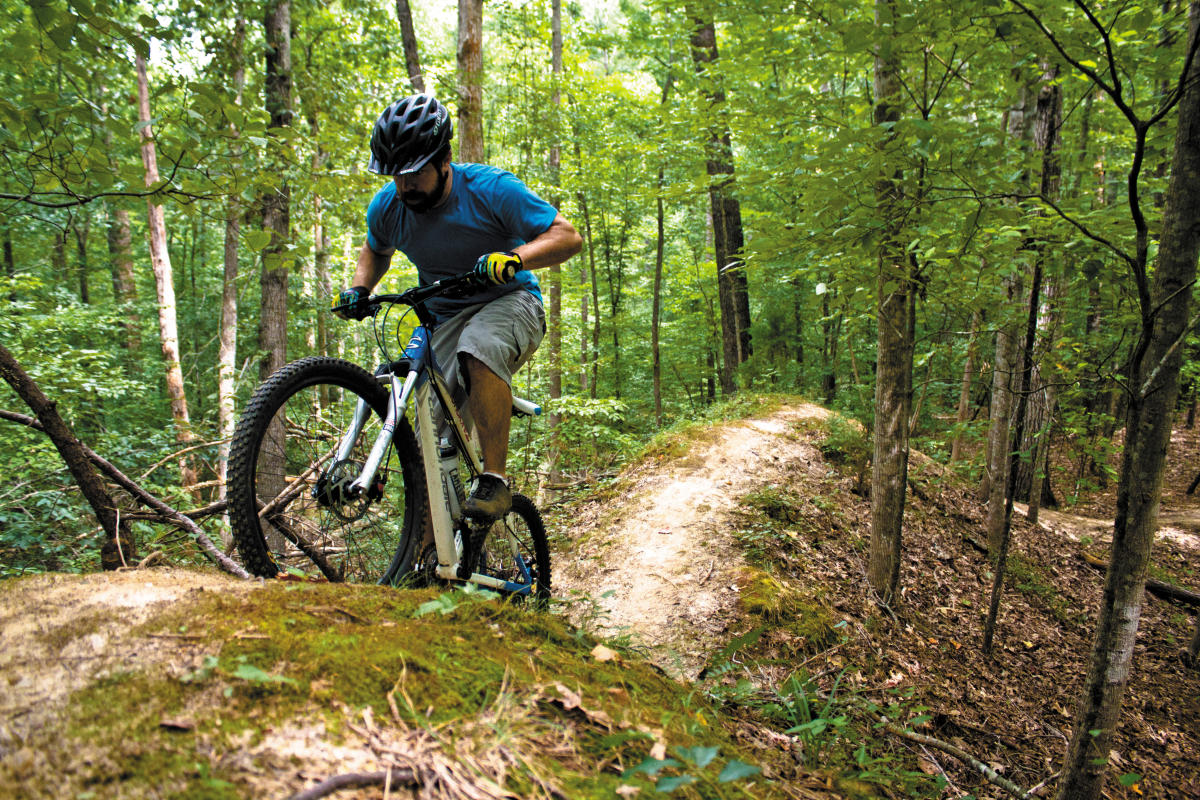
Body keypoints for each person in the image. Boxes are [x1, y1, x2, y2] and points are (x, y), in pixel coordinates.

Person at [334, 93, 582, 520]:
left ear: (445, 158)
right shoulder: (389, 207)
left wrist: (515, 258)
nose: (404, 185)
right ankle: (436, 548)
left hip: (512, 301)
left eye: (415, 172)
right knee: (427, 436)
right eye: (396, 175)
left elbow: (568, 236)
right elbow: (376, 249)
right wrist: (360, 287)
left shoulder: (491, 190)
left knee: (478, 346)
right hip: (443, 316)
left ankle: (495, 480)